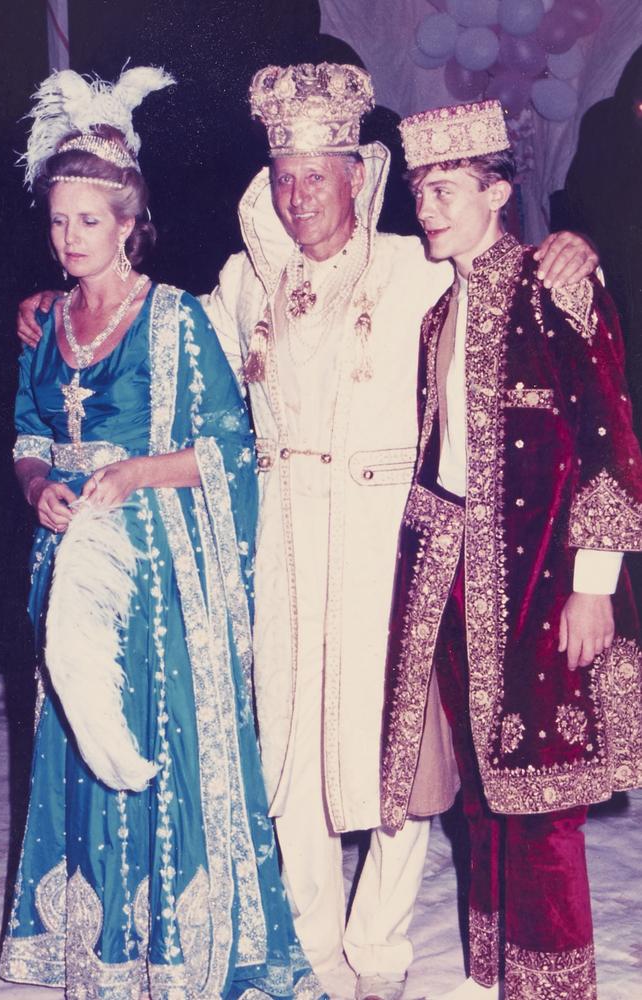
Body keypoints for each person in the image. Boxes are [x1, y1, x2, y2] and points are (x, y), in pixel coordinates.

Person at [16, 63, 600, 1000]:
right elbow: (152, 335)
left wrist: (562, 243)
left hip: (388, 537)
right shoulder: (244, 281)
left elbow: (504, 276)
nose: (298, 197)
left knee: (398, 746)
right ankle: (320, 949)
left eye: (316, 177)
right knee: (286, 744)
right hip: (282, 533)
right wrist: (52, 306)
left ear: (356, 179)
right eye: (284, 178)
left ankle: (378, 950)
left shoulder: (417, 266)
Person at [0, 67, 322, 1000]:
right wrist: (34, 488)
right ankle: (96, 944)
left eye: (88, 221)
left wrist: (137, 472)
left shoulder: (175, 318)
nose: (69, 239)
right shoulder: (48, 322)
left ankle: (177, 946)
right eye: (58, 221)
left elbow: (231, 447)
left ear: (127, 220)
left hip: (156, 570)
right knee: (73, 728)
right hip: (65, 559)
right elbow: (27, 433)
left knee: (153, 738)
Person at [381, 98, 642, 1000]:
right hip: (455, 574)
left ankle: (558, 982)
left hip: (541, 578)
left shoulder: (555, 283)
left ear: (496, 191)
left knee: (542, 791)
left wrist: (594, 584)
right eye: (420, 191)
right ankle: (498, 967)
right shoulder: (435, 318)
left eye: (446, 189)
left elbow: (608, 436)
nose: (428, 208)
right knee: (485, 789)